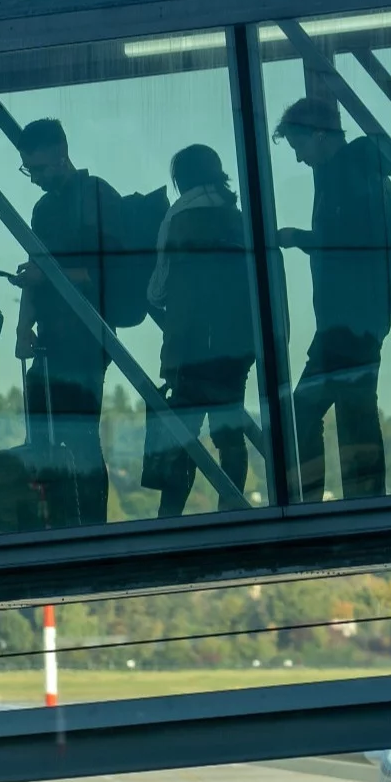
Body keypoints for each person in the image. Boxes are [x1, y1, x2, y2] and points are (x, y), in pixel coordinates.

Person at [274, 97, 391, 501]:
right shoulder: (355, 171)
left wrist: (297, 238)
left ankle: (316, 502)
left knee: (306, 412)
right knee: (354, 410)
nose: (300, 159)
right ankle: (363, 500)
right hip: (358, 318)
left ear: (320, 137)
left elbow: (350, 242)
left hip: (348, 320)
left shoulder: (346, 175)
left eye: (299, 147)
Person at [12, 118, 126, 529]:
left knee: (79, 436)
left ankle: (91, 524)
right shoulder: (43, 209)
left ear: (62, 155)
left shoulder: (97, 198)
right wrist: (24, 327)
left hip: (85, 335)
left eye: (40, 169)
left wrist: (51, 275)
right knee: (43, 436)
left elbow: (109, 271)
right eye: (30, 170)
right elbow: (39, 273)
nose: (36, 178)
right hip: (52, 337)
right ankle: (59, 521)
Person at [143, 144, 256, 516]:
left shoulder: (176, 219)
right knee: (230, 436)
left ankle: (170, 520)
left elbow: (157, 290)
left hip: (188, 347)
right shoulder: (241, 218)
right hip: (234, 348)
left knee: (180, 439)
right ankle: (232, 511)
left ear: (180, 179)